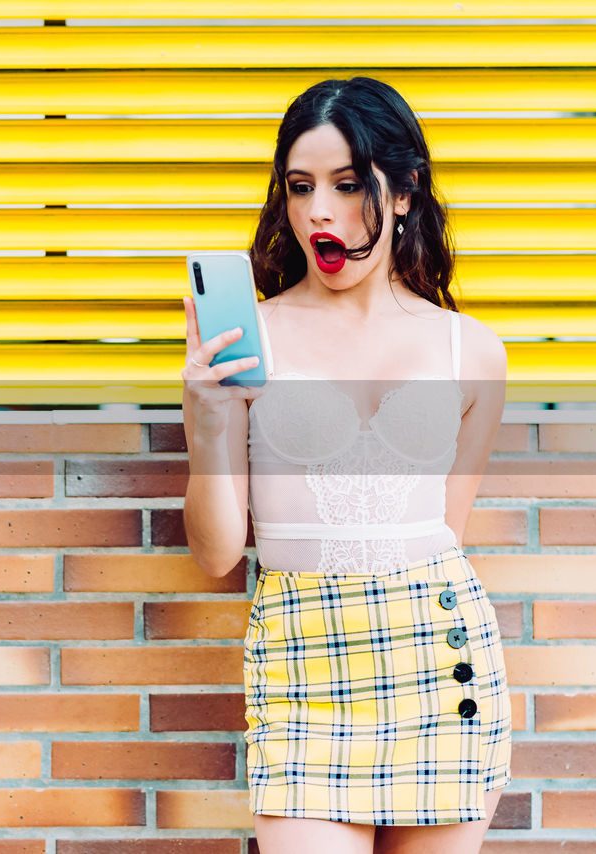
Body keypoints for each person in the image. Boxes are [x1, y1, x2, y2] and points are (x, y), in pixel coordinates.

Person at [180, 77, 512, 854]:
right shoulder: (247, 341)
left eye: (348, 184)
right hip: (304, 671)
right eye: (300, 188)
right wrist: (208, 419)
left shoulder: (472, 351)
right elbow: (218, 552)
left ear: (405, 194)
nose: (318, 211)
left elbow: (443, 537)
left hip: (441, 666)